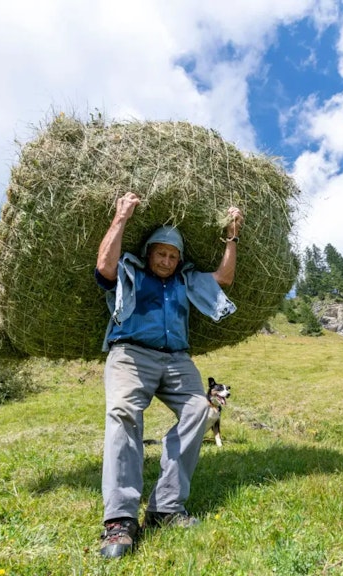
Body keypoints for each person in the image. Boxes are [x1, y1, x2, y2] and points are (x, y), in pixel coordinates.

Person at [94, 191, 243, 559]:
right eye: (161, 253)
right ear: (149, 254)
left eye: (173, 255)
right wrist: (121, 218)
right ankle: (120, 520)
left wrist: (232, 236)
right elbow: (104, 268)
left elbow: (223, 278)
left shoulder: (184, 281)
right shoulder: (131, 273)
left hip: (177, 360)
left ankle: (165, 507)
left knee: (200, 411)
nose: (166, 260)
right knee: (123, 415)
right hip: (130, 353)